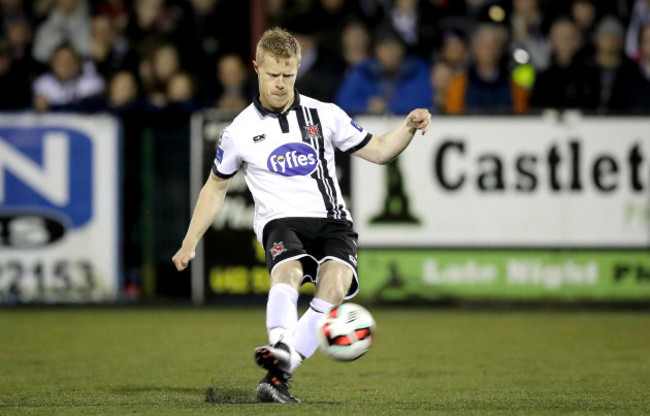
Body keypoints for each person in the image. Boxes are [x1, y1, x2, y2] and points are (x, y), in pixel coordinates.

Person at [171, 27, 431, 403]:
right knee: (288, 272)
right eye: (273, 74)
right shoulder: (239, 131)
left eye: (288, 75)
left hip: (332, 220)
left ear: (297, 70)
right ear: (256, 68)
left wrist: (407, 127)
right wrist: (190, 241)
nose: (280, 83)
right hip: (281, 221)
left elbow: (378, 151)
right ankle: (281, 351)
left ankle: (278, 371)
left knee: (335, 286)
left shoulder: (324, 114)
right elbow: (215, 187)